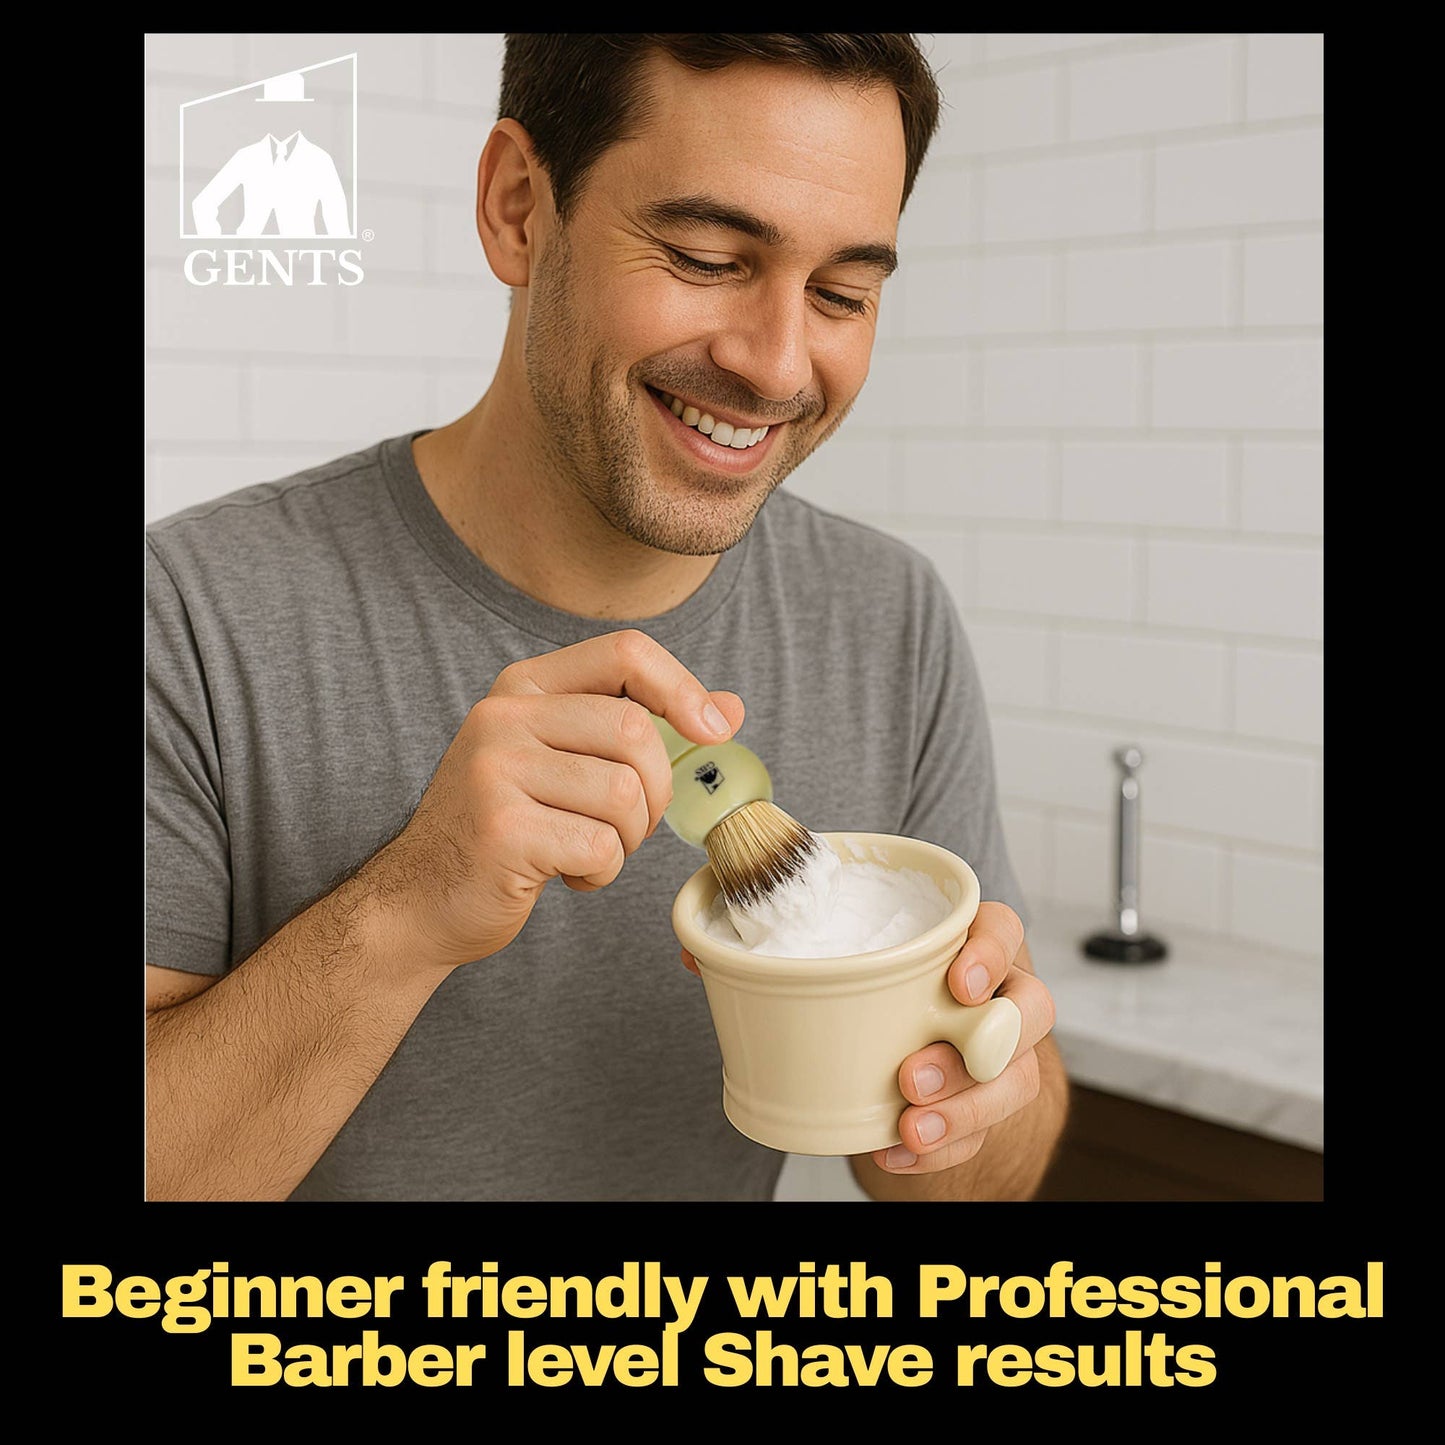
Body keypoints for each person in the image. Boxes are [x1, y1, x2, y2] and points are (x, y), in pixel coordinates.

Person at [145, 32, 1068, 1202]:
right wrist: (409, 907)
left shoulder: (888, 618)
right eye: (703, 256)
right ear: (519, 209)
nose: (778, 362)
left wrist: (973, 1096)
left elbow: (984, 1180)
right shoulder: (184, 616)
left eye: (843, 292)